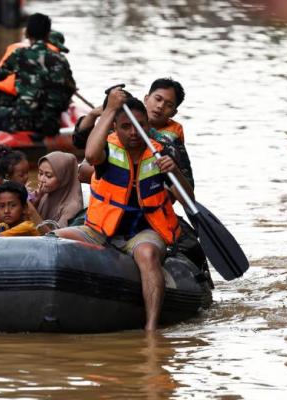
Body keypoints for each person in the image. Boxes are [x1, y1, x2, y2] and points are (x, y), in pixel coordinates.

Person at [54, 88, 194, 331]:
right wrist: (108, 109)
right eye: (125, 127)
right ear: (115, 128)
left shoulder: (162, 151)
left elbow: (188, 198)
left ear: (147, 124)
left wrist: (174, 171)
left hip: (144, 231)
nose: (132, 133)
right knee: (54, 239)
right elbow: (89, 154)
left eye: (138, 126)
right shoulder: (108, 148)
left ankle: (151, 328)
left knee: (148, 255)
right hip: (100, 229)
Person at [0, 13, 75, 136]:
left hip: (24, 120)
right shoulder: (61, 59)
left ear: (26, 33)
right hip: (52, 124)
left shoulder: (20, 54)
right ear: (48, 34)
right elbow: (70, 88)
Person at [144, 78, 194, 188]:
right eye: (158, 99)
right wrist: (97, 116)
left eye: (169, 105)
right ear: (146, 99)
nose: (160, 106)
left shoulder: (174, 141)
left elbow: (189, 184)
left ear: (174, 113)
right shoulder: (125, 121)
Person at [30, 151, 83, 231]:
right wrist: (35, 203)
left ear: (64, 178)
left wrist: (31, 211)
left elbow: (56, 238)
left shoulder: (72, 207)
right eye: (40, 173)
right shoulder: (43, 194)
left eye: (48, 176)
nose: (42, 180)